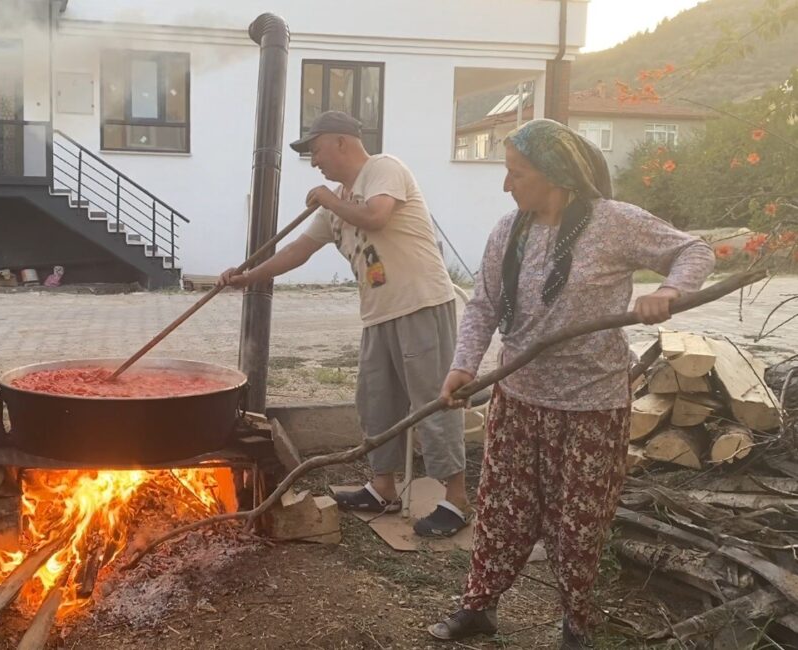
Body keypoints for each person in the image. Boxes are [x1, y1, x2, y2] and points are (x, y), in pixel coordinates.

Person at [429, 119, 715, 648]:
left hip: (592, 406)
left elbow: (693, 251)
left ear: (555, 175)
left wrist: (670, 292)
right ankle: (479, 606)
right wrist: (463, 366)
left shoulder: (614, 222)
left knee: (578, 525)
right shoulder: (508, 231)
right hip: (519, 399)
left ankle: (576, 624)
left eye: (517, 173)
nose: (506, 184)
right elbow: (486, 306)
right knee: (499, 511)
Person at [219, 111, 469, 537]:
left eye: (315, 150)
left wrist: (327, 198)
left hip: (421, 303)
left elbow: (376, 216)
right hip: (378, 313)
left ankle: (457, 500)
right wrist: (249, 276)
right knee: (376, 404)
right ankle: (383, 488)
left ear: (341, 142)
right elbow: (298, 250)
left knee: (432, 401)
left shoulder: (383, 169)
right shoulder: (335, 201)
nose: (314, 161)